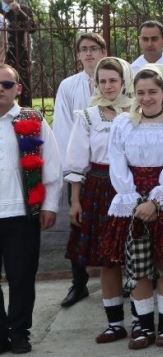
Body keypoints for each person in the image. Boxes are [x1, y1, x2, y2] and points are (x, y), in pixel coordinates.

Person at [103, 64, 163, 349]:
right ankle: (144, 327)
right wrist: (133, 197)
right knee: (137, 265)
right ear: (133, 94)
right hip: (131, 197)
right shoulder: (123, 123)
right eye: (141, 92)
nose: (146, 98)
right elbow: (117, 161)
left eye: (152, 92)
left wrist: (156, 200)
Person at [64, 57, 133, 344]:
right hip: (99, 189)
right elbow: (77, 161)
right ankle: (115, 323)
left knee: (136, 256)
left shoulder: (137, 111)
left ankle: (142, 321)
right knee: (108, 261)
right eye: (102, 81)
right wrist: (75, 201)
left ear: (124, 82)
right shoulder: (88, 116)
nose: (107, 86)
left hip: (130, 186)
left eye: (113, 80)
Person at [0, 63, 63, 354]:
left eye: (6, 84)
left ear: (18, 89)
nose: (0, 89)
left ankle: (19, 333)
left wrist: (50, 205)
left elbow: (52, 164)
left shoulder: (33, 119)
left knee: (22, 277)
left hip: (21, 214)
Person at [53, 33, 105, 308]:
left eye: (93, 48)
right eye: (83, 49)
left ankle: (127, 279)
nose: (88, 54)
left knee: (115, 224)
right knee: (78, 225)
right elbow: (63, 126)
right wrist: (73, 168)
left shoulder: (116, 79)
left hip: (108, 166)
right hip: (80, 167)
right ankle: (79, 282)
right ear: (78, 54)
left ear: (103, 51)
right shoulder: (69, 85)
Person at [0, 0, 37, 107]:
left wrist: (19, 12)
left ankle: (26, 111)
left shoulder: (24, 9)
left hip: (19, 51)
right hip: (1, 51)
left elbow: (32, 29)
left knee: (24, 83)